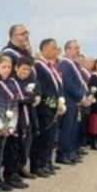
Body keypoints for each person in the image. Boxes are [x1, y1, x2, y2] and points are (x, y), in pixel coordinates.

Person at [31, 38, 64, 177]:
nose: (56, 51)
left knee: (51, 137)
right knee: (43, 137)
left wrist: (60, 102)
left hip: (54, 106)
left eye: (56, 48)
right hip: (45, 107)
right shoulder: (39, 65)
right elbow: (42, 88)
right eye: (53, 48)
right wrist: (54, 103)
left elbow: (57, 85)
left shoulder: (52, 65)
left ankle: (47, 161)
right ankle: (39, 164)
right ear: (44, 49)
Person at [0, 54, 23, 188]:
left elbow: (14, 105)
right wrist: (0, 125)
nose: (6, 70)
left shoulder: (11, 83)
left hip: (7, 124)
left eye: (9, 67)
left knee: (1, 153)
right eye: (3, 67)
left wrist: (11, 125)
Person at [57, 40, 90, 164]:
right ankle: (62, 154)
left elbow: (78, 83)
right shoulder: (65, 64)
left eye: (78, 47)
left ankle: (70, 151)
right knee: (67, 129)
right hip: (69, 101)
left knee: (73, 129)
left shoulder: (73, 64)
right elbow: (68, 85)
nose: (78, 50)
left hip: (75, 101)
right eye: (75, 48)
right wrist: (81, 98)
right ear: (67, 49)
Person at [11, 57, 38, 180]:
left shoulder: (27, 82)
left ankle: (21, 167)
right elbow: (20, 99)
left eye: (28, 70)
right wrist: (30, 97)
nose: (26, 72)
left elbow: (29, 98)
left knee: (26, 145)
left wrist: (30, 97)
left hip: (27, 118)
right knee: (16, 147)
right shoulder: (12, 82)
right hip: (16, 119)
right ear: (16, 68)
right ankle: (12, 173)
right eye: (24, 69)